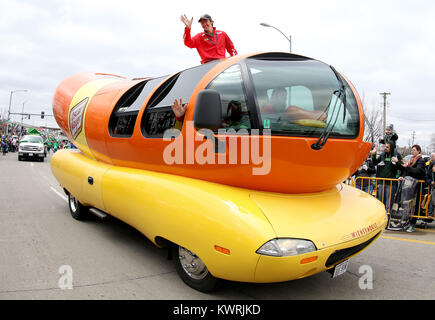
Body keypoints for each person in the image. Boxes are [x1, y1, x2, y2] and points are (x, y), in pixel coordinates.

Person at [398, 144, 426, 232]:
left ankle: (412, 224)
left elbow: (417, 171)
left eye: (414, 150)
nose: (412, 151)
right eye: (412, 150)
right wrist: (402, 176)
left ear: (418, 151)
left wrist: (408, 167)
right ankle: (407, 222)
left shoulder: (420, 160)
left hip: (417, 187)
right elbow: (407, 171)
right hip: (409, 187)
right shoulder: (411, 160)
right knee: (408, 204)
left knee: (416, 205)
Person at [371, 141, 402, 213]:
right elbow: (375, 163)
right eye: (385, 146)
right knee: (381, 203)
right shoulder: (383, 155)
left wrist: (397, 162)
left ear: (392, 147)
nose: (386, 148)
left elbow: (402, 168)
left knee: (389, 204)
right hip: (382, 182)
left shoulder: (397, 155)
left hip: (391, 184)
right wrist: (373, 155)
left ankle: (387, 218)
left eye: (387, 147)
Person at [425, 152, 435, 217]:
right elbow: (426, 176)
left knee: (433, 198)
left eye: (433, 156)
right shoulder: (428, 166)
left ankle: (430, 212)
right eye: (431, 156)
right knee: (432, 198)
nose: (432, 158)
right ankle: (429, 213)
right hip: (431, 187)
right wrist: (430, 181)